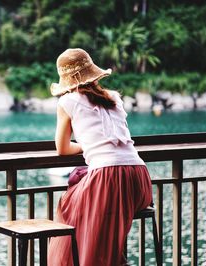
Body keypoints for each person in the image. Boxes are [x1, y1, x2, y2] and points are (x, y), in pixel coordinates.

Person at [47, 48, 153, 266]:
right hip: (140, 179)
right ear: (93, 74)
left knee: (69, 209)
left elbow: (62, 148)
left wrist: (86, 146)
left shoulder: (67, 102)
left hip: (110, 178)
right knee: (92, 213)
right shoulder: (113, 97)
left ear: (67, 80)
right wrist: (92, 146)